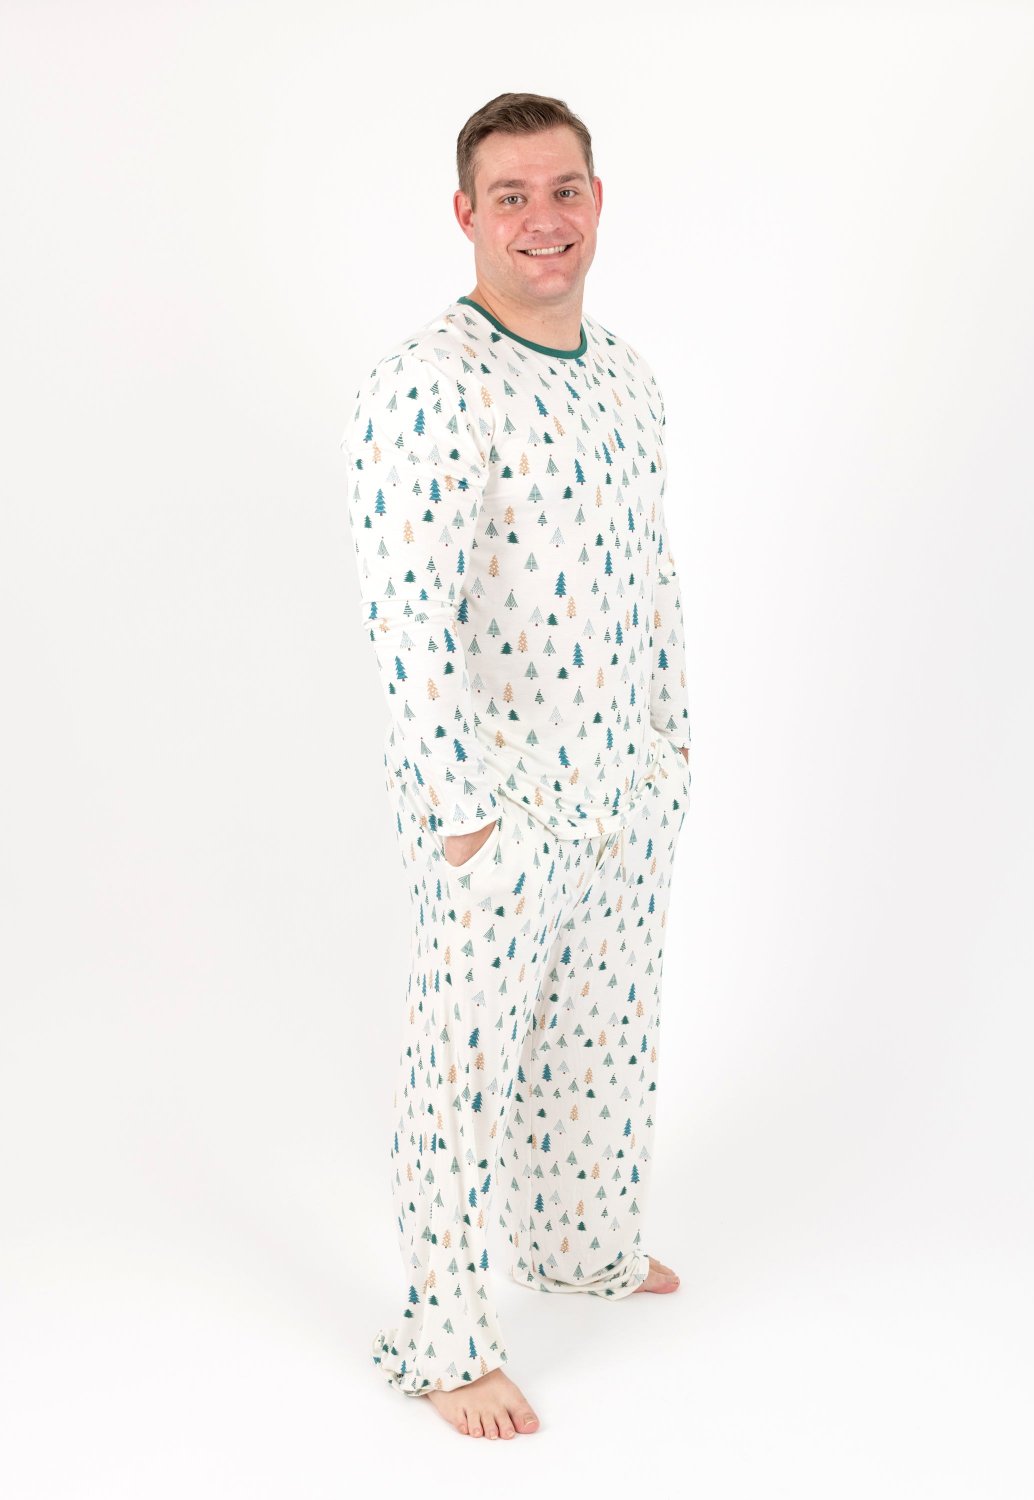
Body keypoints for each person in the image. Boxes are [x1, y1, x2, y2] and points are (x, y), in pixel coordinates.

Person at [337, 92, 693, 1440]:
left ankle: (585, 1247)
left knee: (605, 1035)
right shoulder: (428, 382)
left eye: (564, 191)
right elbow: (406, 618)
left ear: (597, 201)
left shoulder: (627, 375)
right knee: (465, 1074)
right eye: (512, 197)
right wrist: (466, 815)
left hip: (623, 785)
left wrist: (670, 746)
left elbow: (652, 575)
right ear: (466, 214)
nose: (544, 220)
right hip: (501, 804)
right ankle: (444, 1339)